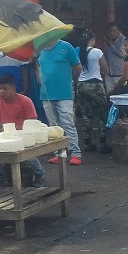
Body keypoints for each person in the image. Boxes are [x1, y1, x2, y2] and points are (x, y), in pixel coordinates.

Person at [0, 74, 47, 187]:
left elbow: (33, 122)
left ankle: (40, 174)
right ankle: (1, 179)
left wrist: (14, 127)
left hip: (23, 134)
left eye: (5, 88)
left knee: (27, 155)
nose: (1, 91)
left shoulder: (25, 101)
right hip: (3, 134)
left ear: (14, 89)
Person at [38, 37, 82, 165]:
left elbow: (77, 67)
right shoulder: (40, 49)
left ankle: (75, 153)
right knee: (54, 126)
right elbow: (39, 68)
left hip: (64, 93)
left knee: (67, 123)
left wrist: (67, 80)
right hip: (46, 94)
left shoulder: (66, 46)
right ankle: (59, 153)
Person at [75, 30, 111, 153]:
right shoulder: (96, 52)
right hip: (95, 85)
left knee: (86, 116)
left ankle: (87, 143)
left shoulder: (79, 52)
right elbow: (106, 69)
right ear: (93, 40)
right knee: (102, 115)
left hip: (81, 85)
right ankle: (102, 143)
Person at [103, 22, 126, 92]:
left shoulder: (124, 40)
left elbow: (122, 54)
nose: (112, 33)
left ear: (119, 31)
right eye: (110, 31)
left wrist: (111, 45)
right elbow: (105, 55)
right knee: (109, 95)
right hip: (108, 74)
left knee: (120, 95)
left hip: (119, 74)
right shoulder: (108, 40)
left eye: (114, 31)